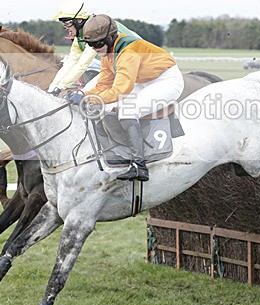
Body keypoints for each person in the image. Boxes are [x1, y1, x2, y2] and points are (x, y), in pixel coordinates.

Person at [68, 13, 184, 182]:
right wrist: (83, 94)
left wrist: (89, 100)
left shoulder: (127, 52)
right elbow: (103, 85)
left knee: (127, 111)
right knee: (105, 108)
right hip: (143, 79)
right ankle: (118, 151)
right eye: (91, 44)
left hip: (166, 80)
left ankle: (139, 165)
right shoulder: (108, 54)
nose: (95, 48)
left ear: (110, 37)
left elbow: (119, 90)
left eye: (98, 43)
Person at [47, 0, 140, 95]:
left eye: (67, 23)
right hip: (116, 63)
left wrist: (61, 87)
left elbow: (82, 64)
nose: (65, 27)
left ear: (79, 20)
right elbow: (70, 63)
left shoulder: (94, 29)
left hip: (135, 63)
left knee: (84, 94)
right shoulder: (79, 36)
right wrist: (53, 87)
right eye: (63, 24)